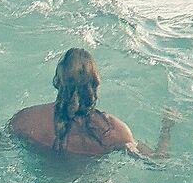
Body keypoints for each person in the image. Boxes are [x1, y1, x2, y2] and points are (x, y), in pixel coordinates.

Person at [10, 48, 174, 159]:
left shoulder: (25, 120)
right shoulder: (113, 132)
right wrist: (166, 127)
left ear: (57, 81)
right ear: (95, 83)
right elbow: (155, 162)